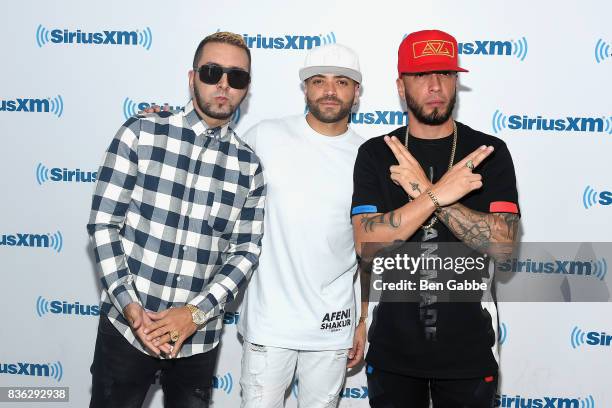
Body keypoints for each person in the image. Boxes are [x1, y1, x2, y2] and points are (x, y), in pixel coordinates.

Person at [86, 31, 265, 408]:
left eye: (237, 77)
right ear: (191, 77)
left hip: (197, 341)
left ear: (246, 89)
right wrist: (133, 310)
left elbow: (245, 252)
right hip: (127, 330)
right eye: (212, 71)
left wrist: (194, 314)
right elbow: (104, 225)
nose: (223, 85)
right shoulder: (141, 134)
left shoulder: (248, 166)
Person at [351, 29, 520, 407]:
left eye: (445, 73)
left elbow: (504, 247)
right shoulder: (377, 154)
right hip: (392, 353)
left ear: (456, 81)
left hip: (469, 354)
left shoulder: (488, 152)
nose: (435, 85)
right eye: (421, 74)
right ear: (400, 84)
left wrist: (428, 194)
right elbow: (366, 245)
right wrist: (438, 194)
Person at [237, 43, 367, 408]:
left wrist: (363, 320)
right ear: (305, 88)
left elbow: (369, 248)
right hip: (269, 323)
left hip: (332, 327)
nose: (329, 91)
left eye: (342, 82)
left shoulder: (368, 156)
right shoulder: (264, 136)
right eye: (318, 81)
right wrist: (170, 124)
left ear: (356, 93)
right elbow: (213, 165)